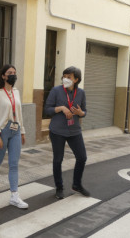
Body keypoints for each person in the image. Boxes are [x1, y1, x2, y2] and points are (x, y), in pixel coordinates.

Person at [0, 64, 28, 209]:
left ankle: (14, 196)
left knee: (14, 163)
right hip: (2, 131)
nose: (13, 75)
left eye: (14, 72)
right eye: (9, 73)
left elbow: (20, 113)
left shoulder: (16, 92)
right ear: (3, 76)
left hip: (15, 130)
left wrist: (22, 131)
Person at [44, 66, 90, 200]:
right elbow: (47, 109)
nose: (65, 79)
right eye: (64, 76)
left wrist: (81, 113)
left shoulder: (81, 93)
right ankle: (59, 187)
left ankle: (77, 184)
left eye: (69, 77)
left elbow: (84, 111)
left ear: (76, 79)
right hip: (57, 131)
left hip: (74, 131)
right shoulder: (56, 90)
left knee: (82, 157)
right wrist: (62, 108)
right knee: (58, 160)